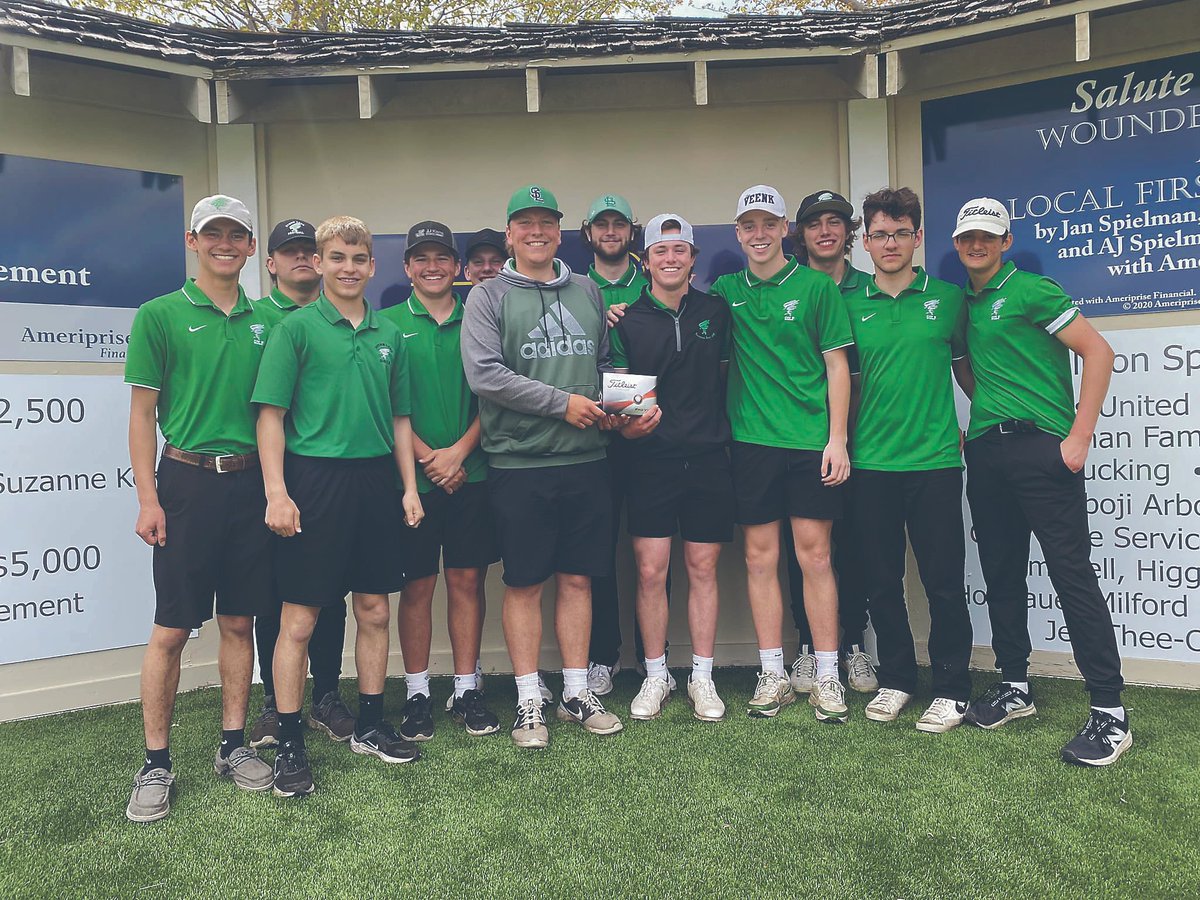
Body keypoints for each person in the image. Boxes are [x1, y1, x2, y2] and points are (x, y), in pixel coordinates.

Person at [952, 198, 1130, 766]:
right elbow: (964, 365)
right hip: (987, 452)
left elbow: (1098, 352)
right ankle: (1014, 686)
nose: (976, 245)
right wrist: (991, 416)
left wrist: (1078, 437)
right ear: (956, 244)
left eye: (987, 236)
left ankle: (1109, 713)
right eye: (967, 237)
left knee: (1070, 573)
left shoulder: (1033, 289)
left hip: (1042, 450)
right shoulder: (965, 305)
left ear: (1005, 240)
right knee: (1002, 573)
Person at [253, 215, 425, 797]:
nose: (348, 268)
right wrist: (277, 492)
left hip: (377, 481)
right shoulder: (296, 330)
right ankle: (291, 745)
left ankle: (371, 726)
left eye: (358, 259)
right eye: (336, 258)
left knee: (374, 609)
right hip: (314, 480)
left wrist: (408, 488)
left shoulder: (388, 335)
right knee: (299, 618)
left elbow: (402, 421)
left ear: (372, 266)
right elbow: (270, 417)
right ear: (319, 265)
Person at [124, 194, 274, 822]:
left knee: (239, 624)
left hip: (250, 485)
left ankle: (232, 746)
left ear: (249, 247)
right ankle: (156, 762)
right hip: (185, 484)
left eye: (236, 234)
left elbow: (274, 415)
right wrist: (148, 498)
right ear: (193, 241)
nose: (224, 243)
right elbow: (142, 415)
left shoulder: (268, 320)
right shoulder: (159, 315)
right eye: (213, 233)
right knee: (172, 630)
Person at [461, 184, 627, 749]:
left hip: (587, 461)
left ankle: (577, 690)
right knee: (525, 582)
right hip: (519, 462)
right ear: (509, 234)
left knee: (579, 578)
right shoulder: (486, 297)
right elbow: (485, 375)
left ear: (561, 231)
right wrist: (563, 404)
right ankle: (530, 696)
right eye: (524, 223)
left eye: (546, 222)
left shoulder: (586, 290)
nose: (537, 232)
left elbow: (602, 365)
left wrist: (618, 411)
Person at [709, 185, 853, 722]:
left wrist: (837, 440)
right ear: (738, 233)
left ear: (785, 228)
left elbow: (838, 366)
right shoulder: (725, 290)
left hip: (809, 442)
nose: (760, 234)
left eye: (769, 223)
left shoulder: (817, 287)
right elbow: (681, 313)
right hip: (751, 444)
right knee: (758, 558)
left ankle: (828, 676)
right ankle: (772, 673)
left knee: (815, 557)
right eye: (749, 225)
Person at [843, 187, 974, 732]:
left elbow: (971, 374)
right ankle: (897, 679)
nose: (890, 243)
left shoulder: (947, 298)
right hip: (871, 465)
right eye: (879, 234)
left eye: (900, 232)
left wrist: (982, 425)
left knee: (944, 581)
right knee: (881, 581)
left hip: (936, 462)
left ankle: (952, 687)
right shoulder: (848, 305)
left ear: (918, 237)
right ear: (865, 242)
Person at [380, 221, 501, 740]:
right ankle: (417, 693)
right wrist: (433, 459)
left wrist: (458, 454)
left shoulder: (481, 317)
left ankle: (467, 688)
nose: (433, 267)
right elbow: (383, 405)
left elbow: (495, 394)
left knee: (467, 582)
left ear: (458, 267)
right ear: (407, 268)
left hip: (471, 474)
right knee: (417, 587)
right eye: (421, 259)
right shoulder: (384, 324)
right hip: (416, 481)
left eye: (442, 259)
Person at [611, 214, 733, 723]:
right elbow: (618, 400)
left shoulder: (717, 311)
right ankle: (656, 675)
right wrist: (626, 428)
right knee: (649, 571)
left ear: (692, 259)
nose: (670, 258)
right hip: (650, 463)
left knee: (703, 568)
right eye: (660, 251)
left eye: (679, 250)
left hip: (708, 458)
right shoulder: (626, 319)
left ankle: (701, 676)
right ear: (645, 260)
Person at [248, 219, 354, 749]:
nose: (302, 260)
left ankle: (328, 696)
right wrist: (274, 488)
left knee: (329, 591)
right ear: (270, 262)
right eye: (288, 253)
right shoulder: (258, 318)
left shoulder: (338, 318)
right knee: (276, 593)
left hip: (320, 477)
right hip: (265, 476)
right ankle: (272, 701)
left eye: (307, 252)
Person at [786, 191, 876, 696]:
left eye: (835, 223)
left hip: (868, 441)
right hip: (802, 441)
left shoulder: (871, 288)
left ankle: (854, 643)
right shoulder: (790, 287)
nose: (826, 231)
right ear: (800, 233)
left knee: (855, 545)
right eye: (815, 223)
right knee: (801, 549)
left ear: (849, 232)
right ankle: (807, 646)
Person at [581, 192, 651, 695]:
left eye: (618, 224)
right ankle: (602, 656)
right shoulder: (574, 288)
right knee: (597, 553)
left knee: (652, 554)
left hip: (646, 434)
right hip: (591, 437)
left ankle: (655, 658)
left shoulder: (653, 282)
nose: (610, 232)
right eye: (601, 225)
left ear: (631, 231)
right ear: (588, 232)